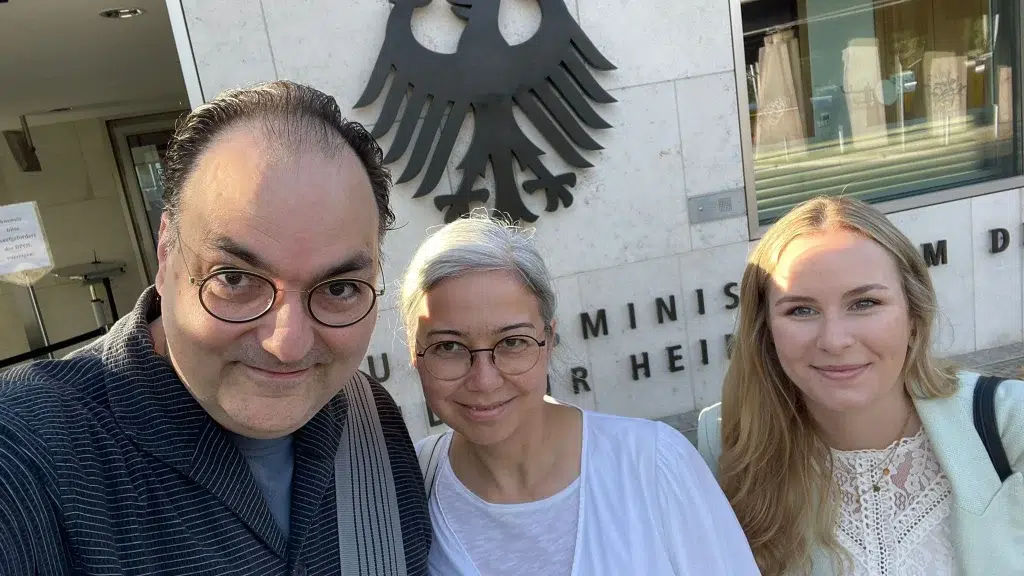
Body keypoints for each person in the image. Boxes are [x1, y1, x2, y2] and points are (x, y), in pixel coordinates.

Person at [0, 81, 431, 575]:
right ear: (166, 255)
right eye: (234, 279)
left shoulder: (369, 417)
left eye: (338, 289)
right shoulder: (26, 451)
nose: (288, 345)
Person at [397, 212, 759, 575]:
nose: (485, 380)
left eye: (512, 342)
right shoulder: (405, 489)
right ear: (415, 353)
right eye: (449, 347)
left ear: (549, 339)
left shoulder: (652, 464)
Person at [697, 195, 1024, 575]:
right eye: (801, 310)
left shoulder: (1008, 424)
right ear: (765, 331)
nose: (834, 340)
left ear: (914, 316)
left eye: (864, 303)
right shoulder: (724, 446)